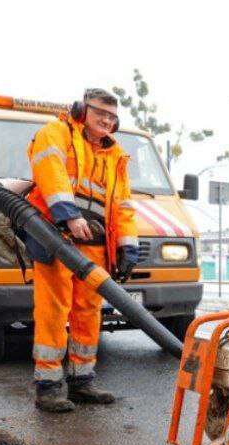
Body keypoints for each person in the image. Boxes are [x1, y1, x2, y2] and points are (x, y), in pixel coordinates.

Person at [25, 88, 139, 413]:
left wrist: (127, 246)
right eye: (100, 112)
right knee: (53, 309)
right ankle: (47, 387)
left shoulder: (116, 156)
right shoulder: (56, 133)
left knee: (88, 311)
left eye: (111, 116)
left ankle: (81, 380)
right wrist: (69, 216)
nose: (106, 120)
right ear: (81, 110)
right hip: (57, 236)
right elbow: (51, 174)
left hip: (94, 244)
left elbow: (123, 206)